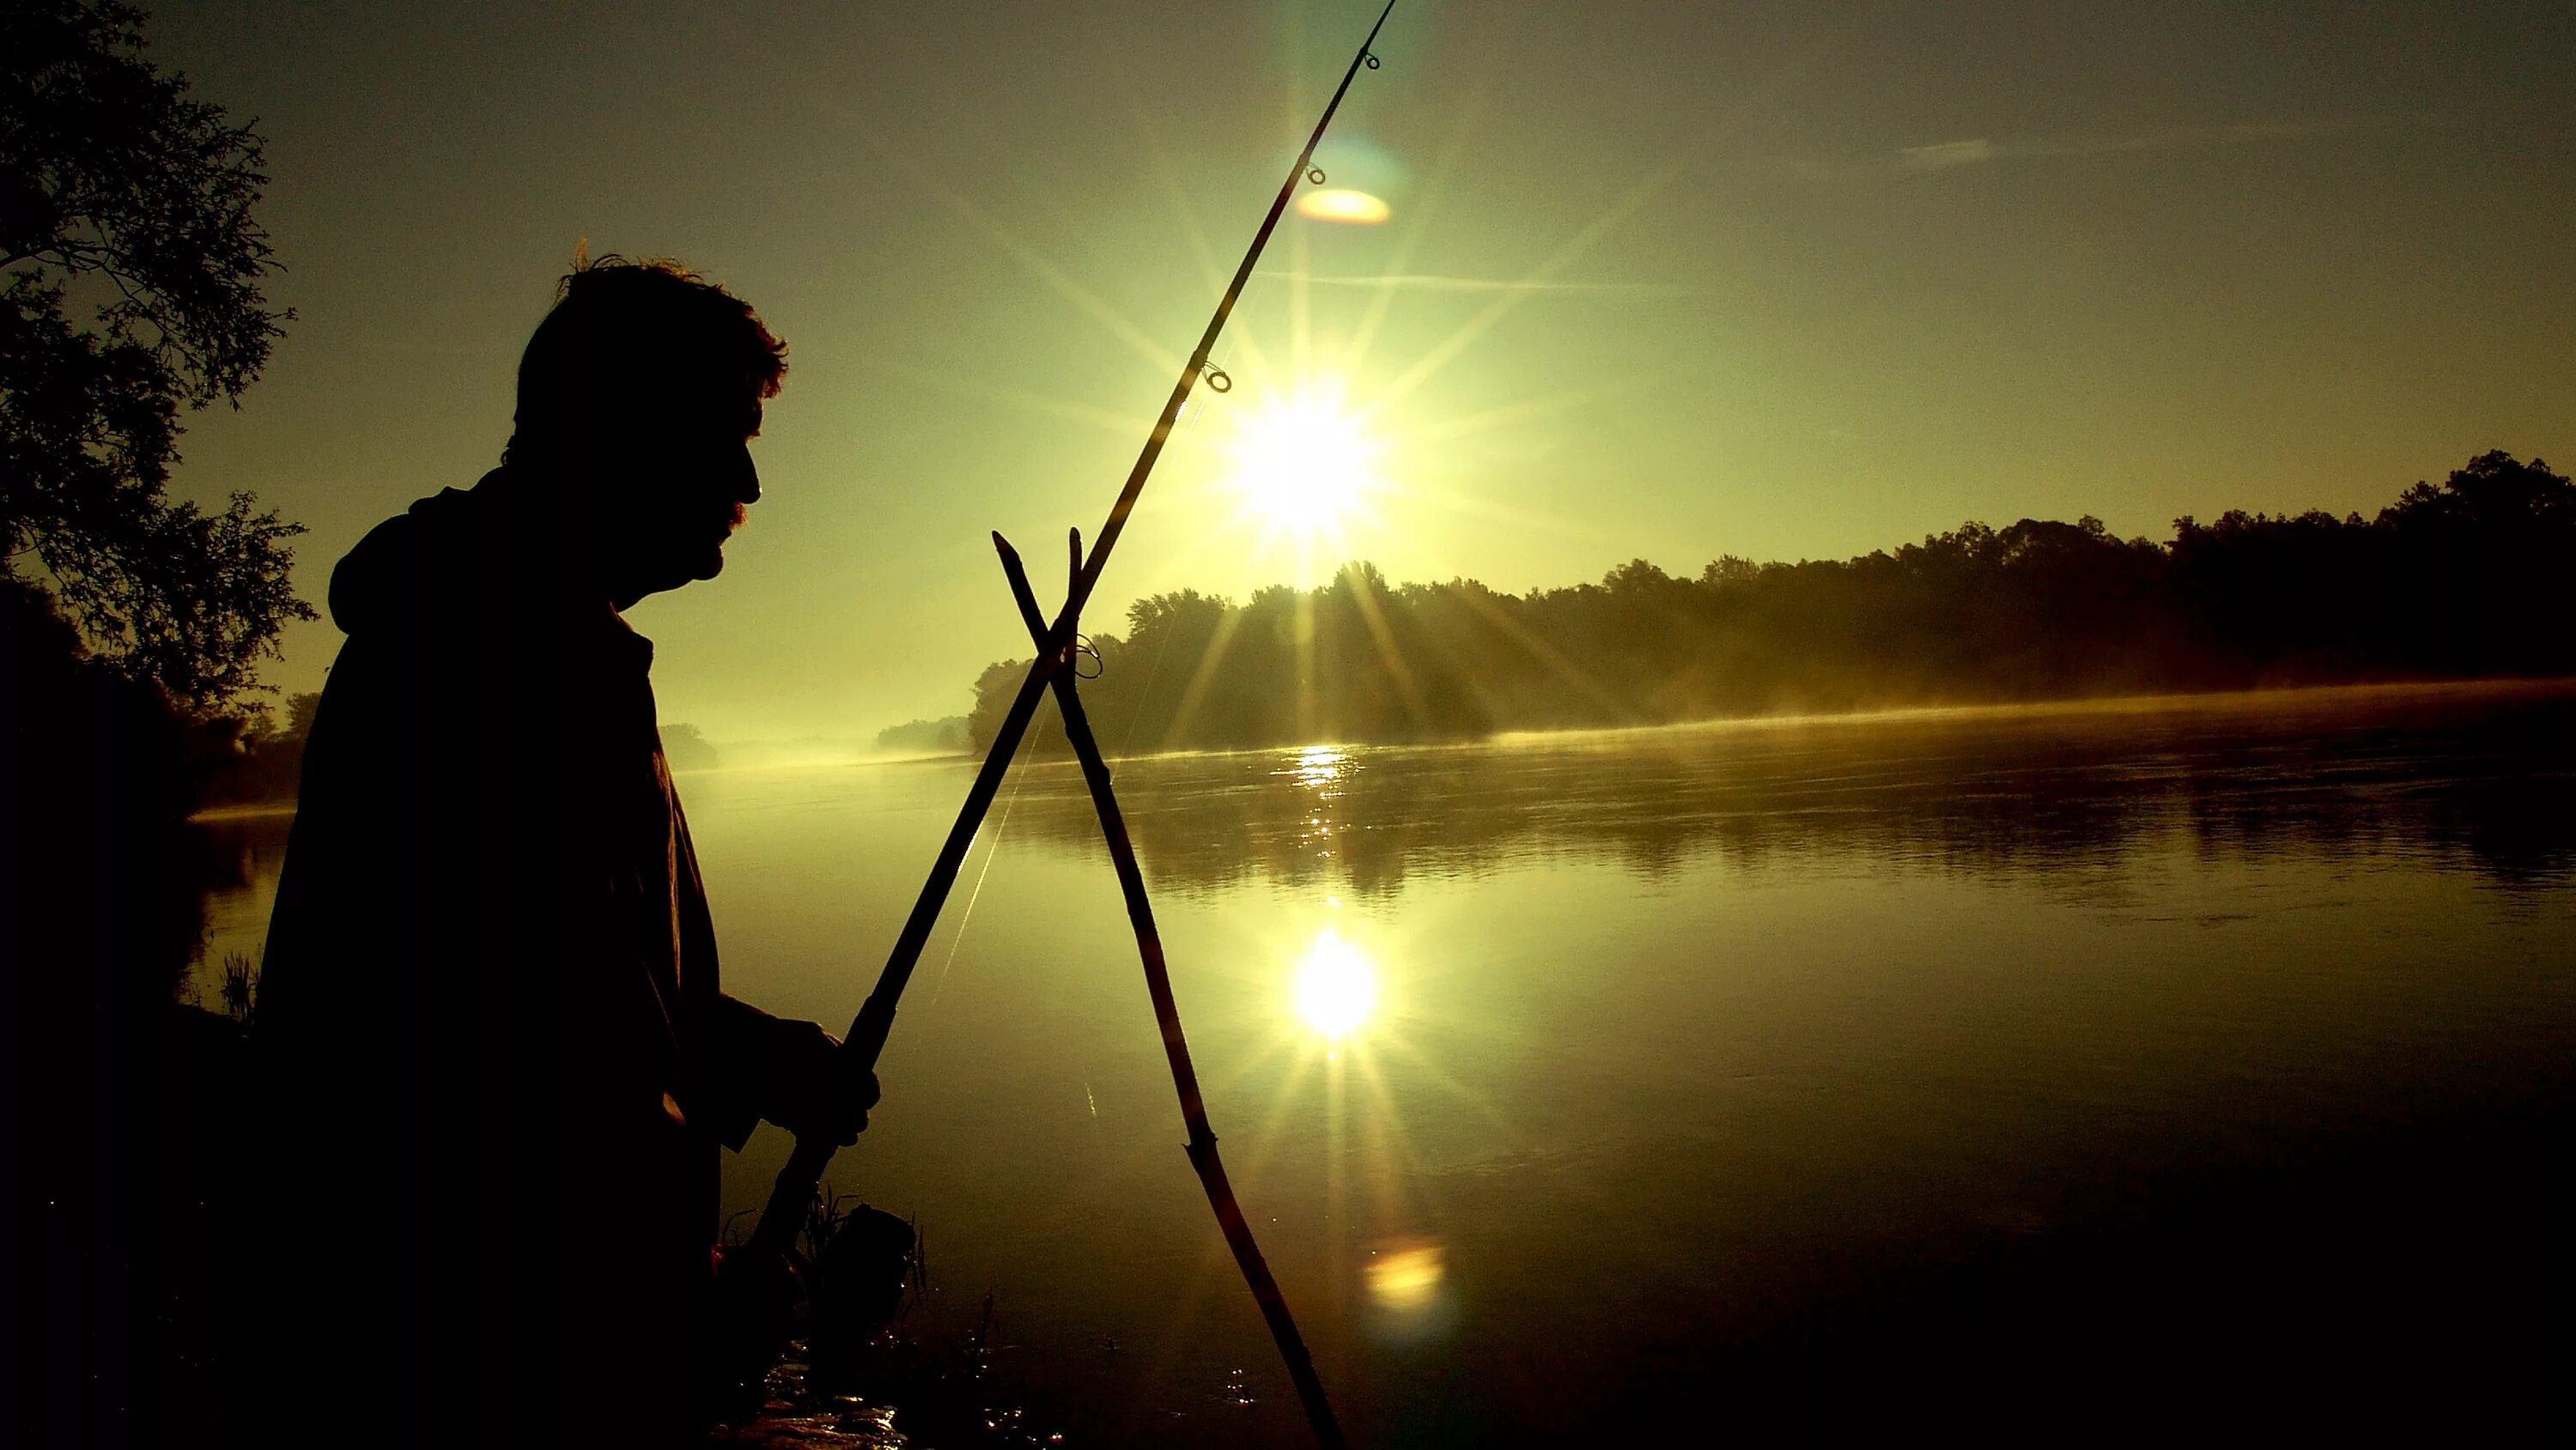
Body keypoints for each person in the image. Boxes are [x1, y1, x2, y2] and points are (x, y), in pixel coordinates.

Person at [253, 256, 873, 1447]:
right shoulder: (487, 655)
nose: (749, 477)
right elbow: (513, 1078)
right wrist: (668, 1309)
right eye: (728, 434)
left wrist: (750, 1060)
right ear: (625, 427)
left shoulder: (517, 626)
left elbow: (565, 976)